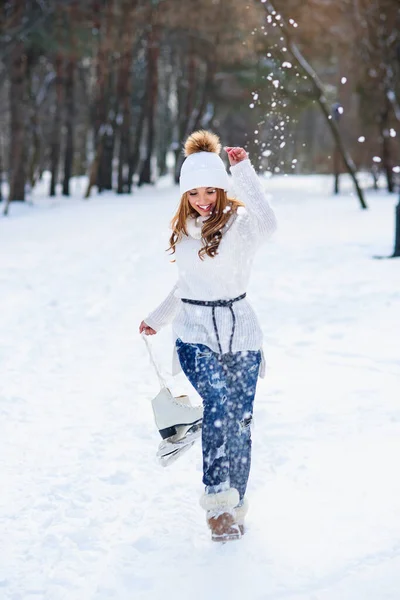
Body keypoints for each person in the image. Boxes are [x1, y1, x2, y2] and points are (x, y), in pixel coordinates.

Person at [139, 130, 277, 542]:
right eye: (194, 192)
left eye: (211, 190)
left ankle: (236, 503)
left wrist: (243, 171)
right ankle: (217, 503)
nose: (203, 199)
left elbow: (270, 220)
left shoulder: (242, 228)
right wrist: (159, 318)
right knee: (219, 401)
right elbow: (186, 285)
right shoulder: (184, 234)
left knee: (240, 420)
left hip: (242, 334)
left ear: (222, 188)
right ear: (184, 194)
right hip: (195, 334)